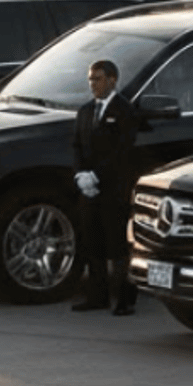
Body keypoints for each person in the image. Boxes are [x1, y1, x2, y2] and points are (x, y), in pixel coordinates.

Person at [70, 59, 142, 316]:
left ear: (112, 80)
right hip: (89, 189)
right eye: (90, 79)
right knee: (92, 242)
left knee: (117, 246)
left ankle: (124, 299)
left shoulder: (124, 111)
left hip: (113, 188)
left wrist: (97, 176)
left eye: (98, 79)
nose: (93, 84)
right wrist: (81, 175)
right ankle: (96, 296)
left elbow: (122, 151)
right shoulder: (85, 111)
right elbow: (77, 145)